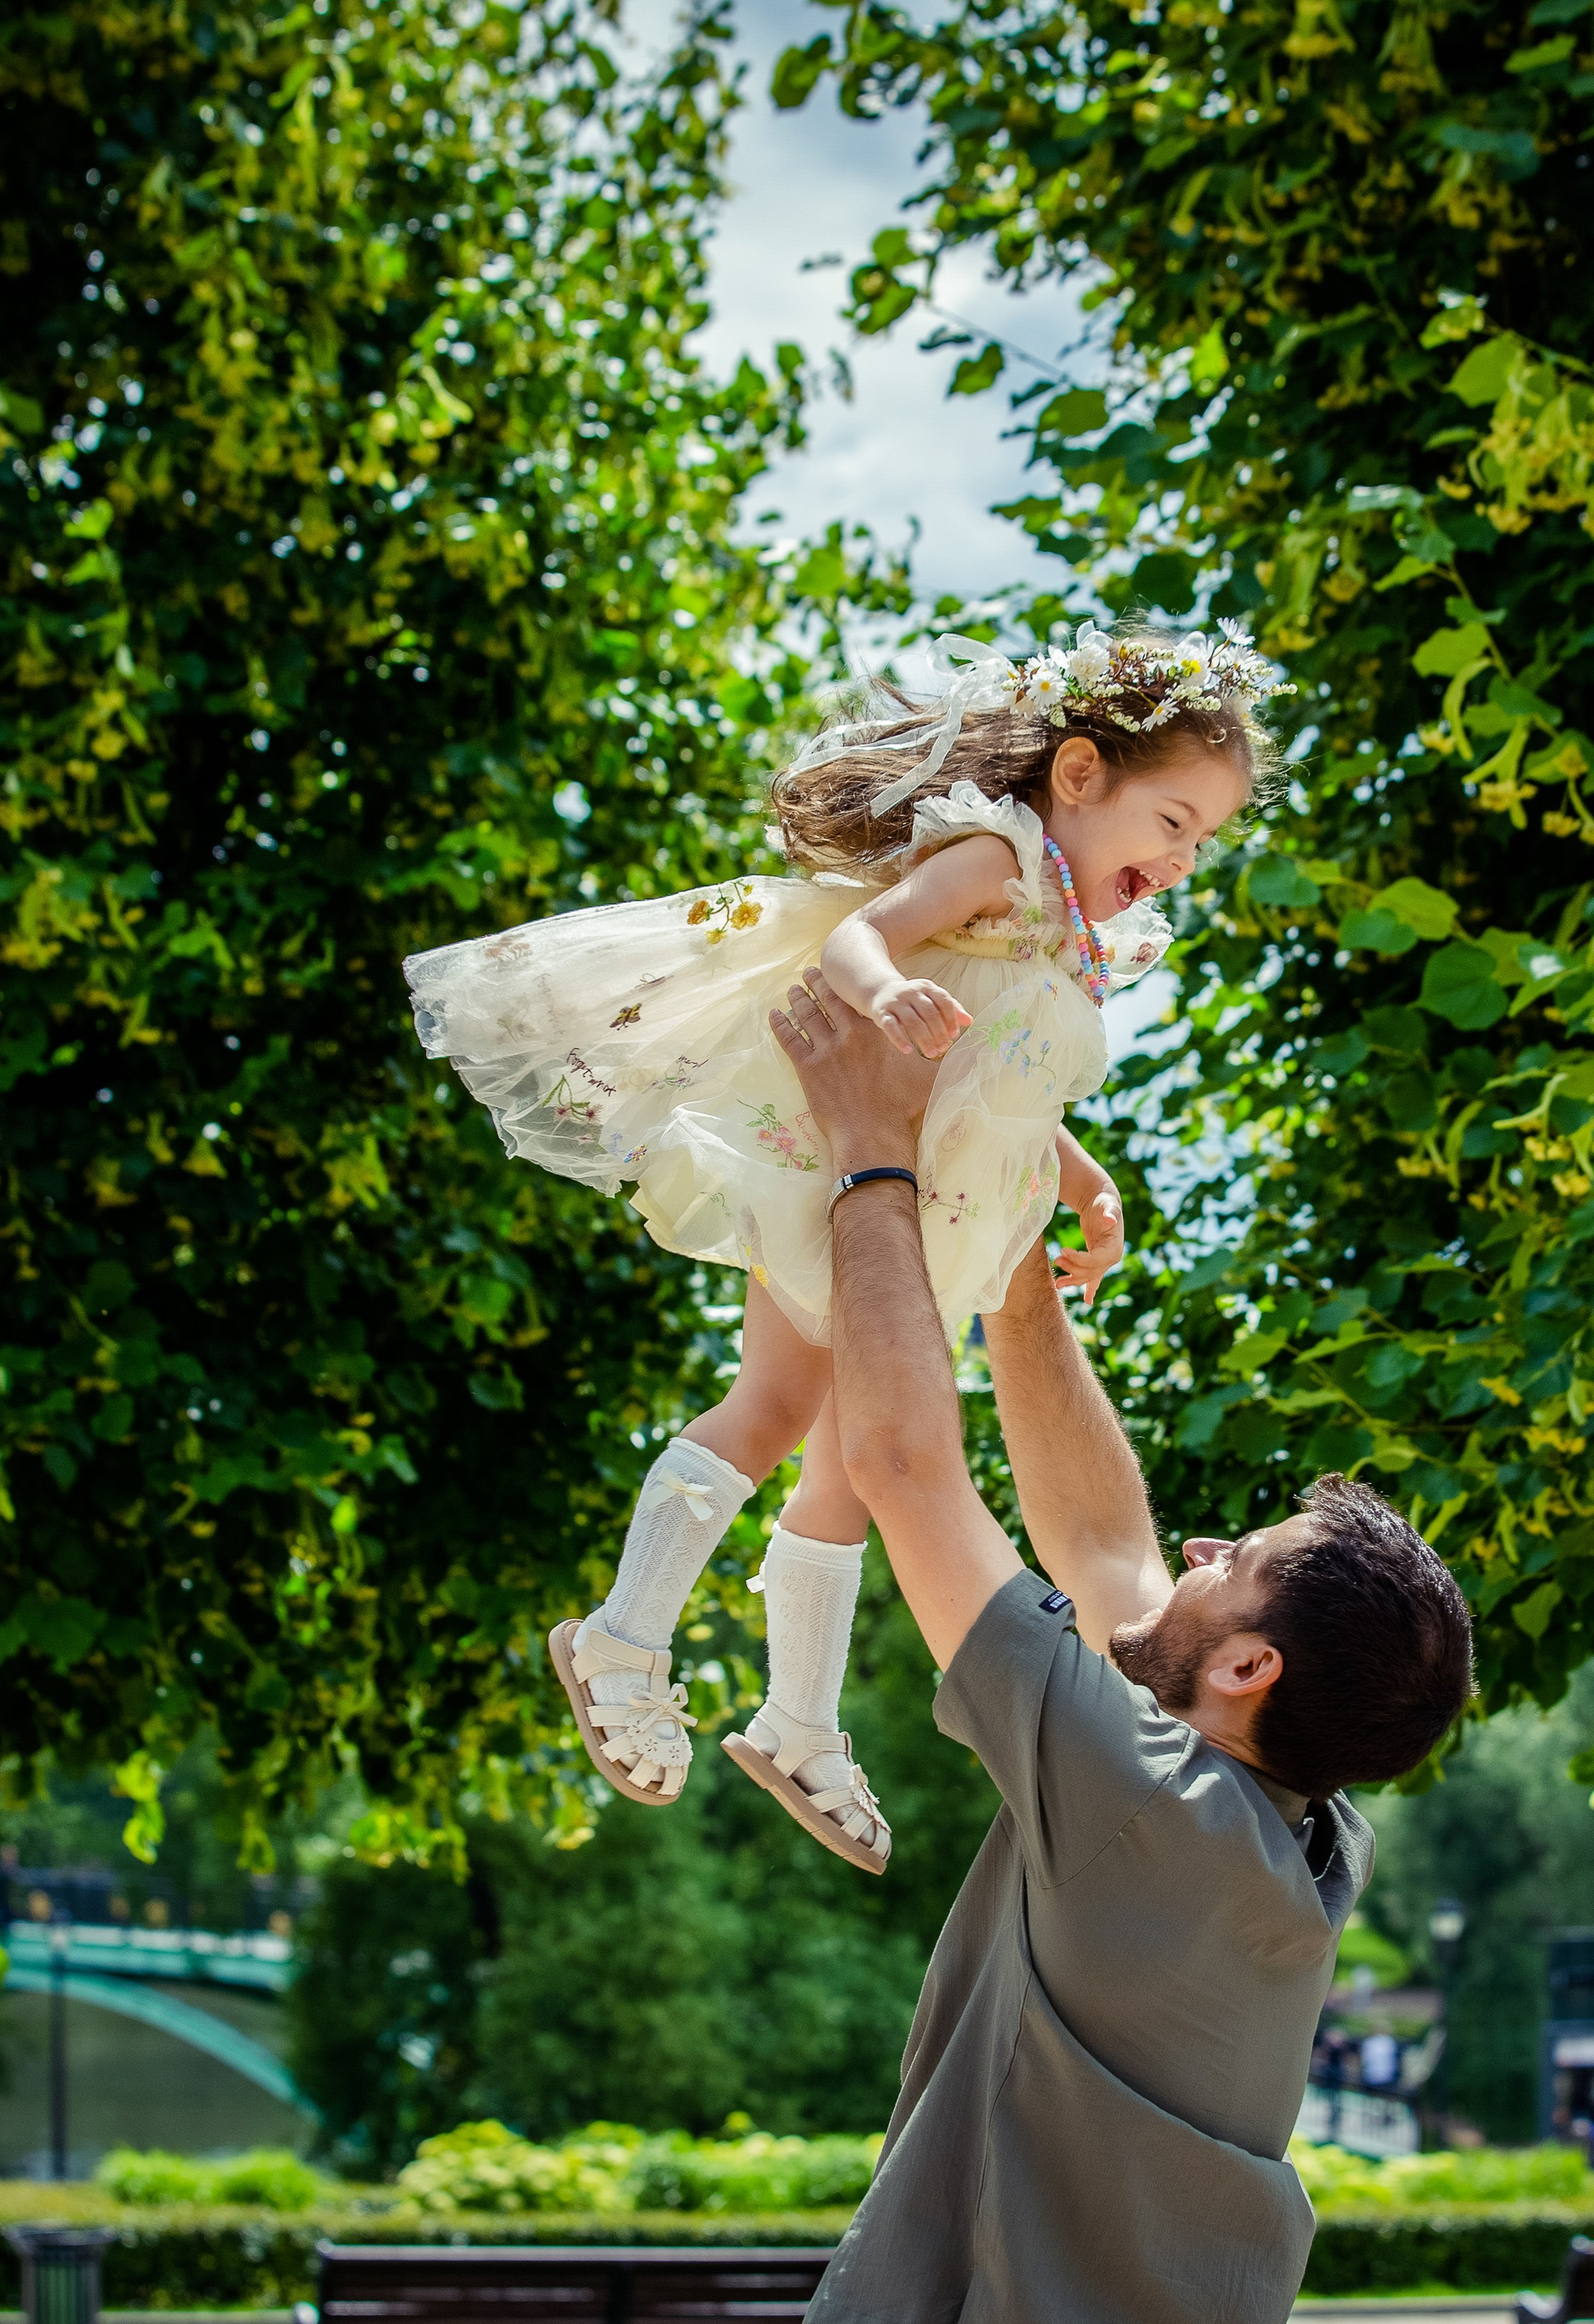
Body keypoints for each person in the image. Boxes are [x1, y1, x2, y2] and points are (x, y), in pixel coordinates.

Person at [768, 969, 1476, 2324]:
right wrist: (1012, 1240)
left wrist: (875, 1151)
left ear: (1246, 1670)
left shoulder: (1150, 1811)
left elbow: (907, 1471)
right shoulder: (1282, 1828)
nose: (1201, 1549)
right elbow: (1104, 1554)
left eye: (1241, 1561)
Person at [403, 622, 1283, 1873]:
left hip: (922, 1225)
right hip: (843, 1179)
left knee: (853, 1469)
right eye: (1174, 821)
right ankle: (620, 1636)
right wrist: (885, 995)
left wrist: (1083, 1182)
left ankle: (800, 1723)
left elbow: (1001, 1073)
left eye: (1205, 841)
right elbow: (856, 942)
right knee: (774, 1406)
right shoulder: (997, 854)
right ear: (1081, 775)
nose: (1184, 859)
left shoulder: (1064, 935)